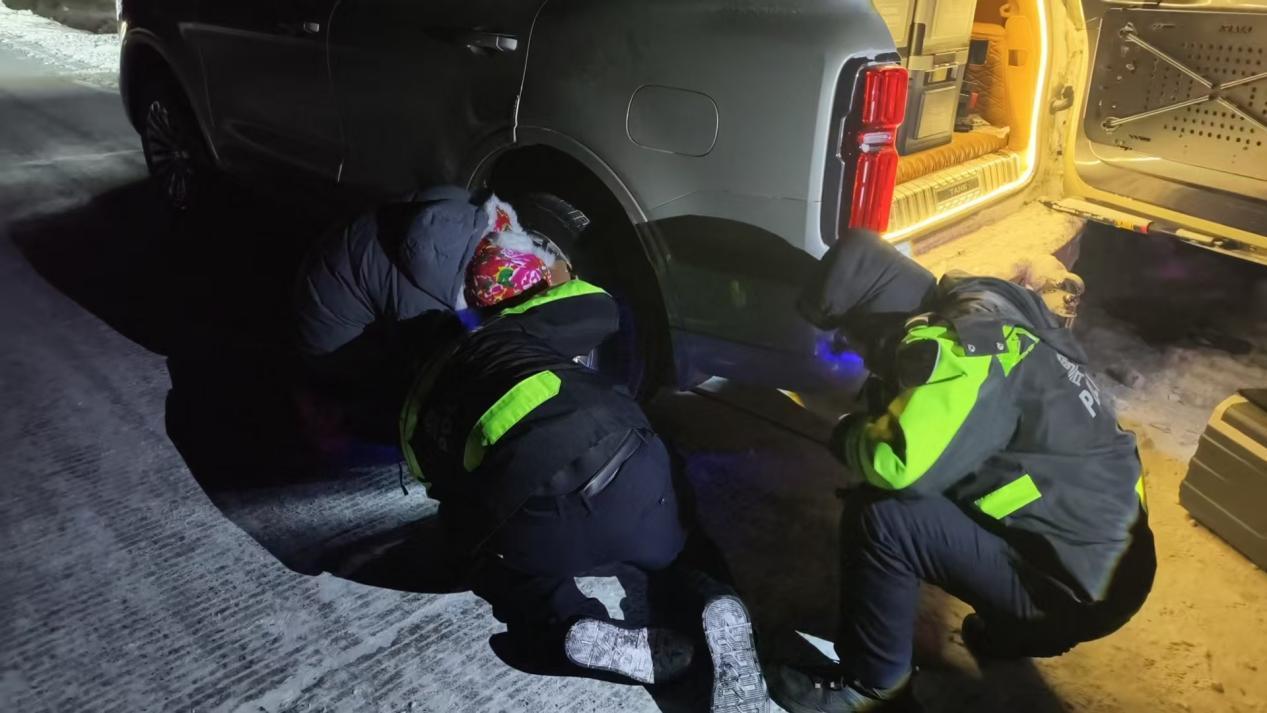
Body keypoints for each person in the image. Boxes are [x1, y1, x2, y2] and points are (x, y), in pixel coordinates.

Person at [771, 230, 1156, 713]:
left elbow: (900, 466)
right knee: (960, 482)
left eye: (855, 341)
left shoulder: (957, 350)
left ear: (879, 322)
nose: (859, 356)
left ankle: (873, 689)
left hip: (1076, 592)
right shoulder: (999, 315)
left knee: (882, 517)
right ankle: (1017, 630)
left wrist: (849, 433)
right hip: (1119, 566)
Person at [398, 238, 770, 713]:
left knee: (483, 550)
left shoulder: (423, 394)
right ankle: (712, 598)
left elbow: (440, 492)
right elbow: (598, 306)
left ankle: (566, 622)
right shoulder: (519, 327)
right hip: (627, 469)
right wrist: (554, 276)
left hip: (535, 521)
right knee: (681, 539)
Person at [292, 186, 568, 444]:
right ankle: (323, 407)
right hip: (326, 331)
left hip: (341, 253)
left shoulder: (467, 214)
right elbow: (429, 366)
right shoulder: (422, 306)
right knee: (401, 409)